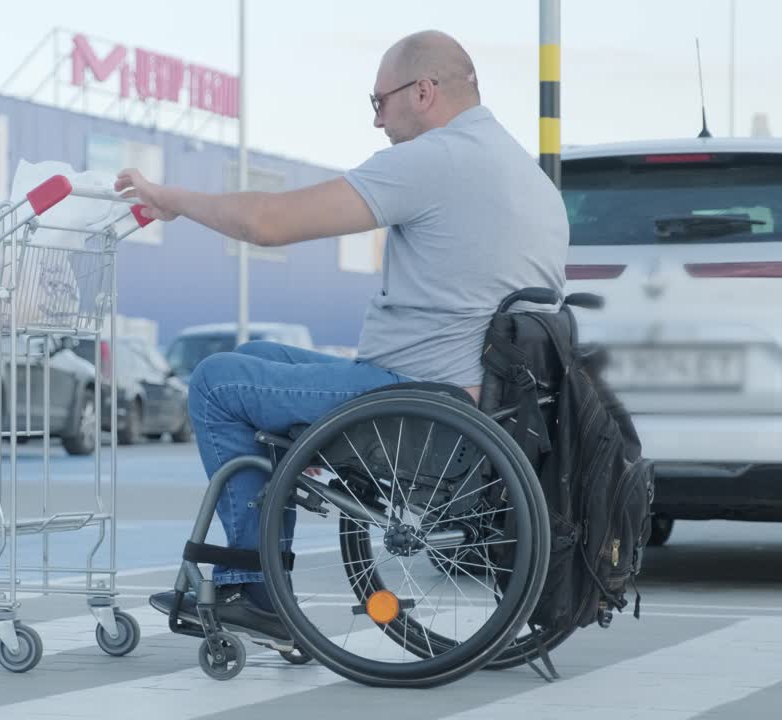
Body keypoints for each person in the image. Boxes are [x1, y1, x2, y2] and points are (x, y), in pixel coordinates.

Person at [118, 30, 570, 638]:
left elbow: (269, 223)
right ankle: (267, 522)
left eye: (379, 102)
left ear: (424, 92)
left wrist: (170, 197)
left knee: (215, 383)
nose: (378, 121)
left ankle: (254, 586)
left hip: (413, 407)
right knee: (254, 357)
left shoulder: (435, 160)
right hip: (481, 412)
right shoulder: (529, 176)